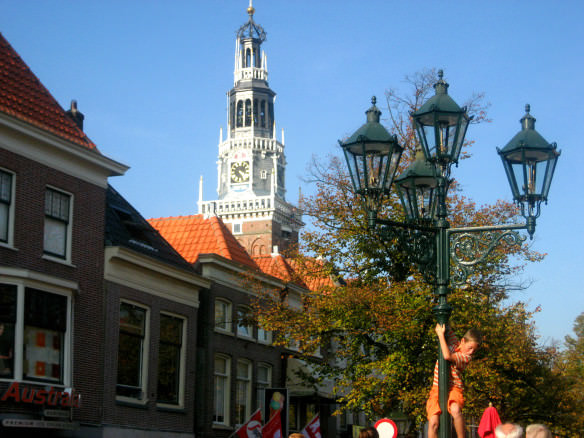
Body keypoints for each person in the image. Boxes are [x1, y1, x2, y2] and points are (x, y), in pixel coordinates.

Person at [426, 323, 482, 438]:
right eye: (470, 348)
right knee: (433, 423)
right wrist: (442, 326)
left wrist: (440, 335)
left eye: (474, 351)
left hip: (454, 388)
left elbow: (447, 356)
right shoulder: (454, 343)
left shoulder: (465, 357)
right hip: (437, 388)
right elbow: (447, 326)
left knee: (455, 410)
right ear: (463, 341)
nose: (471, 352)